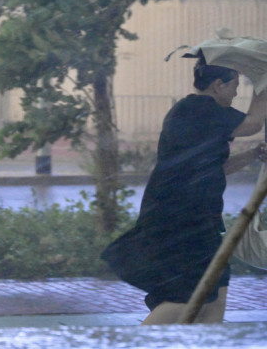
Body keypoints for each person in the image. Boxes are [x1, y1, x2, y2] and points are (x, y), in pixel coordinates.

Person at [102, 55, 267, 325]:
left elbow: (216, 166)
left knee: (216, 292)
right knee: (188, 297)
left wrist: (252, 154)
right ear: (218, 86)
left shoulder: (195, 113)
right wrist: (264, 78)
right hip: (183, 220)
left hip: (198, 219)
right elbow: (253, 123)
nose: (238, 91)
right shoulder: (200, 109)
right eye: (236, 85)